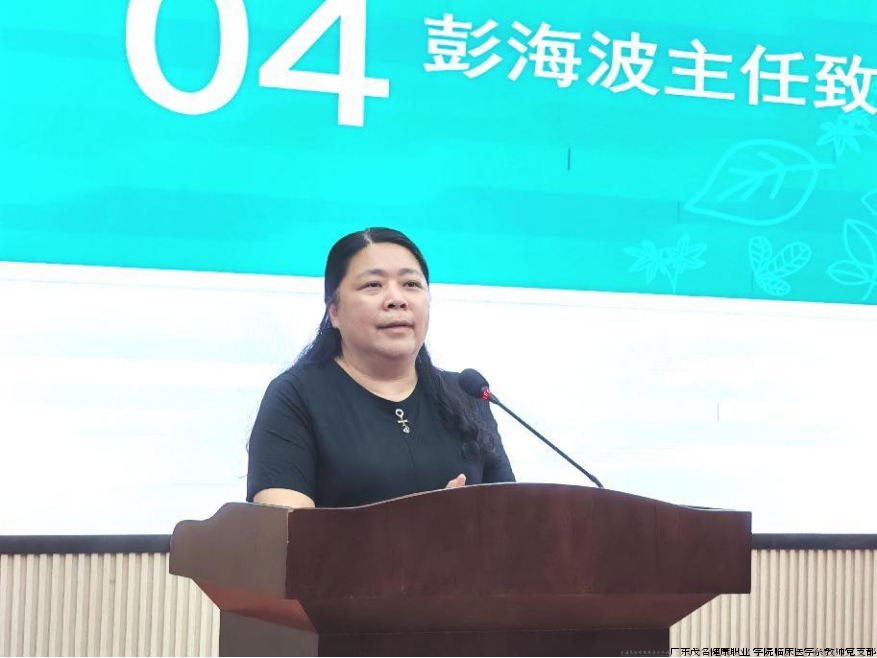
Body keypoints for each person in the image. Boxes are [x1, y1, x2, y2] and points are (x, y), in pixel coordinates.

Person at [246, 227, 515, 508]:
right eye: (373, 285)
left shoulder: (466, 395)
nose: (397, 299)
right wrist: (427, 525)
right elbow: (287, 529)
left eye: (411, 284)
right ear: (334, 311)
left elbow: (513, 515)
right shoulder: (295, 397)